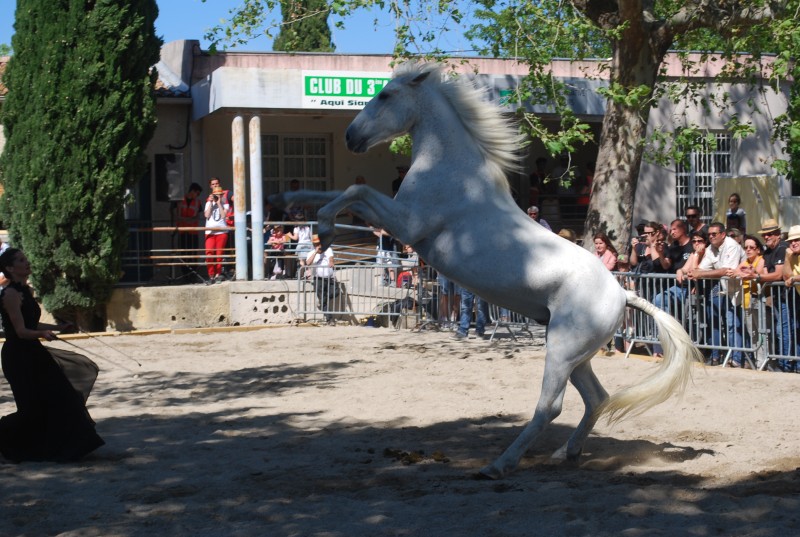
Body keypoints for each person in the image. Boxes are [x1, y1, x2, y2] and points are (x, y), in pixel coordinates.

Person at [0, 248, 104, 462]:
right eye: (21, 260)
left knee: (57, 396)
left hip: (33, 353)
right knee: (30, 408)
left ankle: (64, 447)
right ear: (10, 268)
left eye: (26, 258)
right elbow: (20, 331)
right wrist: (42, 334)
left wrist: (58, 327)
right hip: (18, 356)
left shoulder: (25, 291)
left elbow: (32, 323)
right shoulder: (10, 294)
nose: (27, 263)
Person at [687, 222, 746, 366]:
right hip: (723, 287)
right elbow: (699, 269)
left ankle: (737, 359)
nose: (711, 236)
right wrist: (696, 258)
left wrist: (700, 274)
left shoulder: (731, 245)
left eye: (714, 234)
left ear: (723, 234)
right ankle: (722, 356)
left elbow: (726, 270)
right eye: (709, 234)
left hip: (740, 288)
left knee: (734, 324)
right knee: (720, 322)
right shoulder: (711, 248)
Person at [758, 218, 792, 369]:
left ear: (778, 234)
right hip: (778, 296)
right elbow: (765, 271)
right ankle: (785, 362)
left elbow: (777, 275)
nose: (766, 237)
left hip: (787, 295)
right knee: (781, 329)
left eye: (770, 234)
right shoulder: (768, 250)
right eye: (764, 235)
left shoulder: (782, 248)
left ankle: (787, 363)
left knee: (784, 330)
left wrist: (757, 277)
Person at [736, 235, 768, 369]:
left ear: (758, 250)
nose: (748, 250)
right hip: (746, 302)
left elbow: (758, 273)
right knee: (753, 333)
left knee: (762, 333)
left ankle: (764, 361)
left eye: (752, 248)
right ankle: (757, 361)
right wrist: (744, 272)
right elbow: (736, 271)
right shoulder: (746, 262)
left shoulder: (761, 260)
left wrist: (749, 273)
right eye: (746, 247)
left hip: (758, 301)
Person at [172, 182, 203, 278]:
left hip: (193, 232)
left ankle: (193, 274)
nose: (197, 195)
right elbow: (174, 213)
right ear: (192, 191)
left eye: (198, 194)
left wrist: (184, 219)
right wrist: (183, 219)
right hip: (182, 231)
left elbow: (197, 216)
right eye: (196, 193)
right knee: (184, 253)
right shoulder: (180, 200)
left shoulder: (198, 202)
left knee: (193, 254)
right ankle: (185, 275)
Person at [204, 179, 231, 283]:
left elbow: (224, 215)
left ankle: (218, 274)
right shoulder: (208, 202)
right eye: (215, 195)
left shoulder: (225, 203)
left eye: (219, 194)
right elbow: (206, 215)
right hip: (210, 232)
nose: (217, 196)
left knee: (219, 254)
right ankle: (210, 275)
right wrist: (211, 203)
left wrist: (219, 203)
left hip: (221, 232)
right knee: (209, 254)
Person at [306, 235, 337, 325]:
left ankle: (322, 301)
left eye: (319, 243)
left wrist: (331, 262)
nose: (318, 245)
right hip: (318, 278)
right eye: (316, 244)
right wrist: (316, 252)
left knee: (336, 292)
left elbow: (331, 258)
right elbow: (308, 263)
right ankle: (330, 319)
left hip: (329, 277)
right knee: (323, 299)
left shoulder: (328, 250)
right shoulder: (311, 253)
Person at [782, 225, 800, 360]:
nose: (793, 243)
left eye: (797, 240)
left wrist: (794, 278)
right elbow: (786, 277)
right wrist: (787, 259)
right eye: (791, 241)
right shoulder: (792, 256)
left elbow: (791, 278)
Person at [283, 208, 313, 278]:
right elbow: (311, 238)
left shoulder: (296, 229)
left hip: (301, 245)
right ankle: (309, 274)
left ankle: (301, 274)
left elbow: (295, 238)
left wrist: (289, 234)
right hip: (309, 245)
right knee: (309, 261)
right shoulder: (308, 227)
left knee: (301, 261)